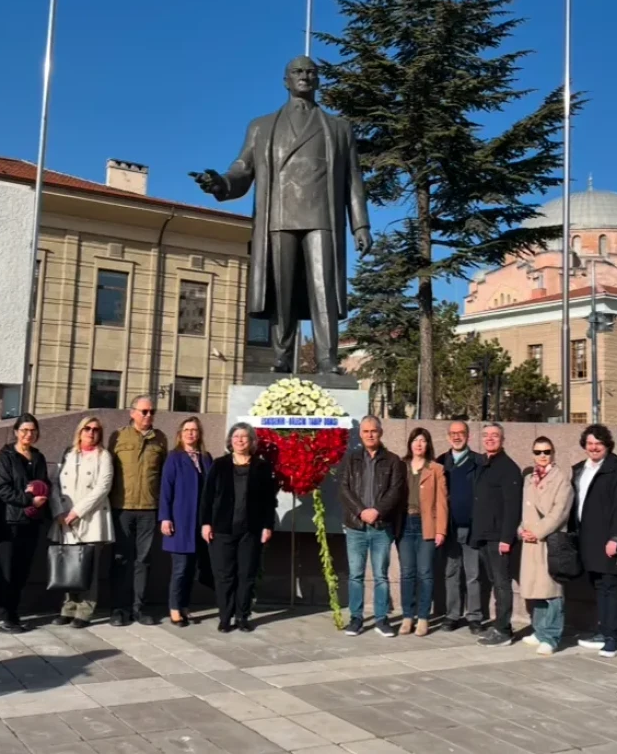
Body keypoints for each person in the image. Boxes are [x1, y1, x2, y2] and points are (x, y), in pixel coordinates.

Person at [192, 54, 371, 373]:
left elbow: (353, 181)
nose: (304, 76)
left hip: (322, 218)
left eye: (310, 71)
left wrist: (360, 225)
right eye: (297, 72)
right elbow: (242, 169)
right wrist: (221, 183)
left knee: (323, 290)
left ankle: (327, 359)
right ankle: (282, 356)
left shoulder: (339, 128)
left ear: (318, 80)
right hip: (279, 217)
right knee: (281, 292)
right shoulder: (261, 127)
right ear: (285, 80)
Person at [200, 423, 277, 633]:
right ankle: (225, 617)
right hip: (222, 529)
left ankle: (242, 616)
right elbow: (207, 497)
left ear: (251, 441)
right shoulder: (219, 465)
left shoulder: (262, 467)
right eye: (236, 436)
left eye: (244, 437)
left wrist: (267, 526)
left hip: (250, 531)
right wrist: (205, 523)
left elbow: (269, 501)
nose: (240, 440)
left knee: (246, 575)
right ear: (230, 441)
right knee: (224, 575)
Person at [572, 424, 617, 658]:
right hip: (586, 538)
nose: (594, 447)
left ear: (607, 445)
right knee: (598, 585)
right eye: (590, 443)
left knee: (611, 587)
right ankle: (603, 630)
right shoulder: (580, 469)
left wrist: (615, 538)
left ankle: (613, 638)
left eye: (598, 443)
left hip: (607, 540)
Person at [339, 415, 406, 637]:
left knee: (380, 575)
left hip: (381, 526)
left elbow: (395, 492)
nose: (370, 434)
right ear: (360, 434)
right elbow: (344, 489)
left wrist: (377, 511)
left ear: (381, 432)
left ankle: (381, 619)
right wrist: (361, 511)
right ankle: (356, 619)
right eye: (366, 431)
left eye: (374, 431)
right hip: (356, 526)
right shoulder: (350, 459)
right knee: (356, 575)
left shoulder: (394, 461)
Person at [107, 396, 168, 626]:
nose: (148, 415)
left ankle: (139, 608)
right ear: (132, 412)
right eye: (144, 411)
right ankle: (118, 609)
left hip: (149, 509)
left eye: (152, 411)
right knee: (120, 559)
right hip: (121, 508)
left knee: (143, 560)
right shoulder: (118, 436)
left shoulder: (160, 438)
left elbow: (163, 475)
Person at [50, 416, 115, 627]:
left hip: (91, 519)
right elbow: (55, 483)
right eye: (87, 428)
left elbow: (102, 488)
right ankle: (67, 608)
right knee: (69, 565)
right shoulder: (68, 454)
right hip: (65, 519)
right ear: (79, 431)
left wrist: (76, 512)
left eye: (96, 429)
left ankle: (84, 611)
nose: (91, 432)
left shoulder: (103, 456)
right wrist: (60, 511)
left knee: (88, 566)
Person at [0, 414, 49, 633]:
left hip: (32, 521)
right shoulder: (4, 456)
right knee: (5, 569)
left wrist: (42, 497)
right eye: (24, 430)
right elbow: (3, 489)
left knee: (21, 571)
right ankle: (0, 616)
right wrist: (28, 499)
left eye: (32, 430)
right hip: (10, 520)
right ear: (15, 431)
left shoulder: (38, 457)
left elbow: (44, 483)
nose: (28, 434)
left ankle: (13, 613)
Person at [518, 436, 573, 657]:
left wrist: (538, 531)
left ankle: (552, 635)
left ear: (553, 453)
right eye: (538, 452)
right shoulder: (529, 478)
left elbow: (559, 512)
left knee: (552, 591)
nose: (543, 456)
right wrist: (522, 530)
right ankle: (540, 631)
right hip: (530, 541)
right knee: (536, 590)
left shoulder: (561, 479)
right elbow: (525, 509)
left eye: (547, 452)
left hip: (549, 541)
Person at [470, 423, 523, 648]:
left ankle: (503, 630)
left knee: (502, 584)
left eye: (495, 436)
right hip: (484, 534)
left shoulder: (508, 468)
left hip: (498, 537)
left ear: (502, 439)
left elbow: (513, 506)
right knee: (495, 581)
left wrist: (506, 538)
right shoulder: (484, 463)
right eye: (486, 435)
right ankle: (501, 626)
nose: (490, 439)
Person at [159, 417, 213, 627]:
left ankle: (185, 606)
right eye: (187, 430)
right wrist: (165, 517)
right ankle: (174, 609)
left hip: (200, 523)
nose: (191, 433)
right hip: (180, 520)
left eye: (194, 430)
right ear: (180, 434)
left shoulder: (206, 458)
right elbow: (166, 489)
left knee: (192, 569)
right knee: (180, 568)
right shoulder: (174, 457)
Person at [396, 428, 448, 637]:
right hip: (404, 524)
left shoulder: (436, 469)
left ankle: (424, 617)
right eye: (415, 440)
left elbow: (442, 502)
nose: (418, 444)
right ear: (409, 443)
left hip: (426, 524)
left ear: (428, 445)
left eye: (423, 441)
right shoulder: (400, 466)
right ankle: (408, 616)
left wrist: (440, 531)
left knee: (425, 573)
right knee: (407, 573)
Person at [436, 420, 484, 633]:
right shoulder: (440, 462)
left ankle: (474, 616)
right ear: (448, 437)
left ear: (468, 436)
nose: (457, 437)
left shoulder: (479, 462)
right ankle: (452, 614)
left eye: (461, 433)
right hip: (449, 528)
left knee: (473, 574)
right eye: (453, 433)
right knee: (451, 573)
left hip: (471, 527)